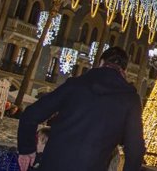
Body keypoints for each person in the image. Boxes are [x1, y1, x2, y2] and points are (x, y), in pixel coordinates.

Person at [17, 46, 145, 171]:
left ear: (101, 63)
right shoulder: (130, 99)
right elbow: (135, 149)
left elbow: (30, 115)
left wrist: (27, 150)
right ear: (124, 71)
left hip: (53, 164)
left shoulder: (75, 85)